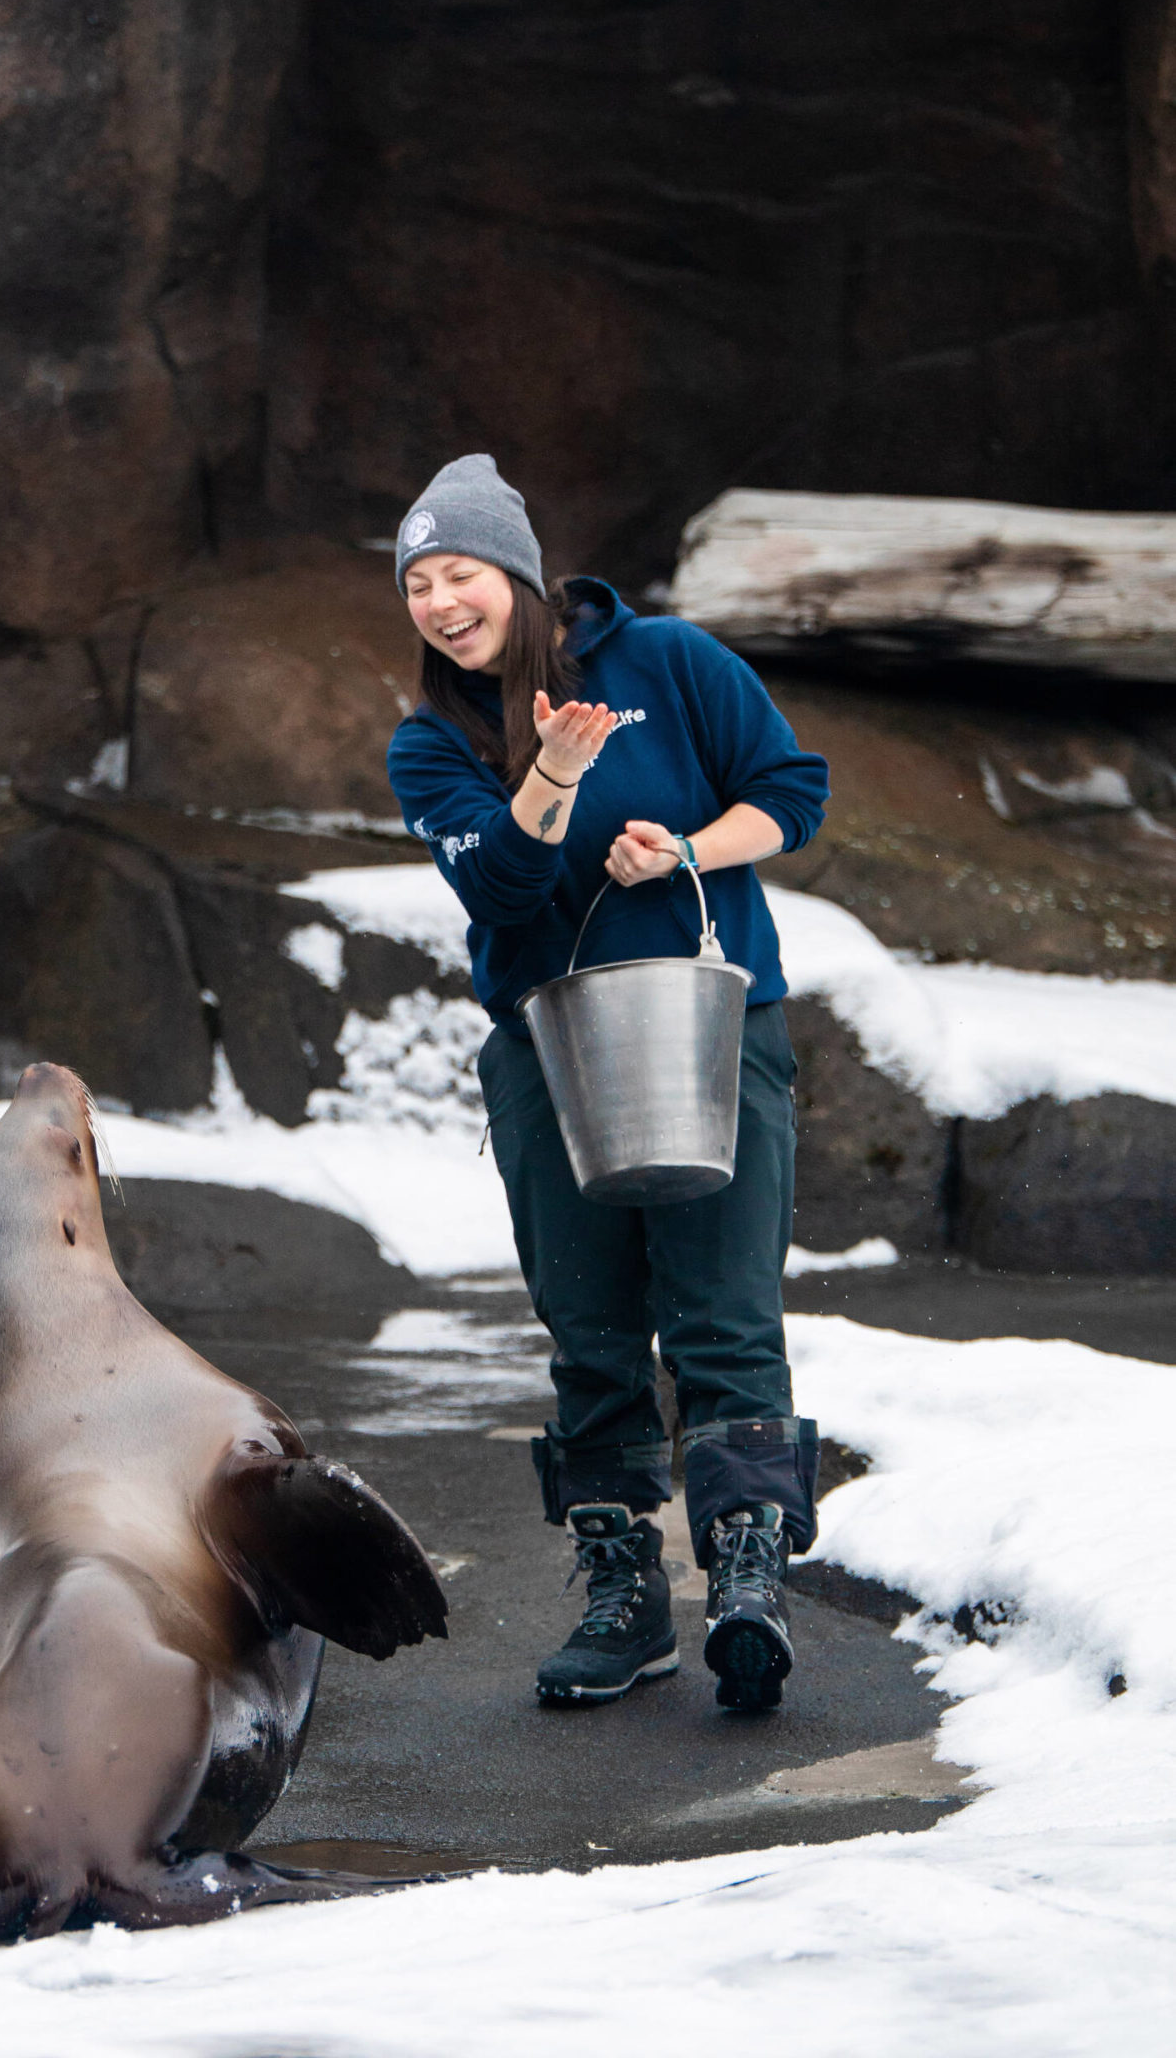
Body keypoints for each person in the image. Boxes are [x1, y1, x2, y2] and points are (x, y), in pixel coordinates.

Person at [385, 454, 831, 1713]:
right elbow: (502, 893)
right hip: (547, 1047)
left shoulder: (673, 663)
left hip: (713, 1021)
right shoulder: (432, 745)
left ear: (517, 577)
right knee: (589, 1328)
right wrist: (554, 776)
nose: (438, 601)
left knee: (723, 1308)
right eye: (417, 583)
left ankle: (747, 1574)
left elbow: (792, 792)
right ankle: (623, 1590)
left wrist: (689, 846)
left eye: (458, 573)